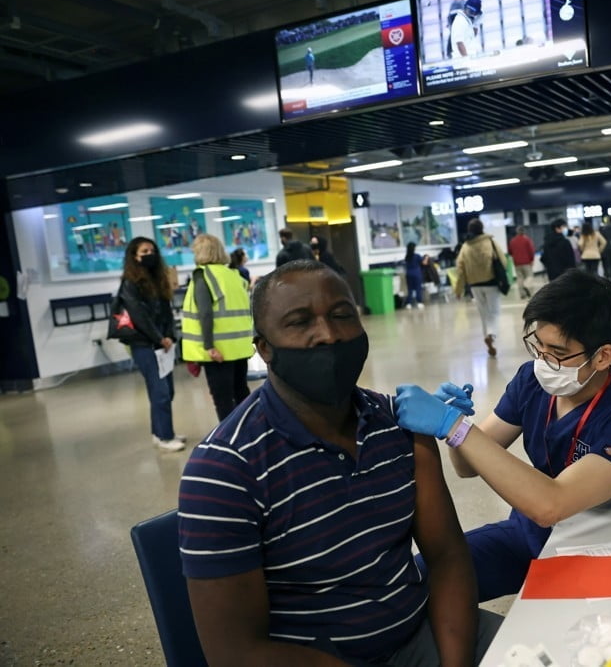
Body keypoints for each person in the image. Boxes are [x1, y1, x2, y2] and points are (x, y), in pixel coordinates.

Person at [178, 260, 501, 665]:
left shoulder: (398, 424)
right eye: (299, 322)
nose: (327, 335)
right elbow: (236, 653)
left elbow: (447, 557)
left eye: (341, 315)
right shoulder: (225, 470)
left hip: (421, 633)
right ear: (264, 348)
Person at [394, 270, 611, 601]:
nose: (544, 361)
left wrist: (455, 426)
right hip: (527, 537)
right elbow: (468, 466)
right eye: (539, 345)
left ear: (603, 355)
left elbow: (552, 504)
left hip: (598, 554)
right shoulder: (532, 382)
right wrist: (455, 427)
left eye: (559, 352)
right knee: (415, 583)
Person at [116, 237, 184, 451]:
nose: (150, 254)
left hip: (163, 344)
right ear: (134, 256)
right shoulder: (130, 283)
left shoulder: (158, 280)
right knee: (160, 391)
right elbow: (139, 315)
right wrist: (158, 338)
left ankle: (159, 432)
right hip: (144, 344)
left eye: (152, 250)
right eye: (144, 251)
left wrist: (170, 335)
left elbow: (166, 312)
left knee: (166, 391)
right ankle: (165, 437)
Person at [181, 234, 253, 422]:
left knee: (223, 401)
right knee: (241, 393)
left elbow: (205, 313)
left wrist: (209, 346)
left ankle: (230, 441)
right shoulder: (234, 276)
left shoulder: (203, 276)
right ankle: (249, 433)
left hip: (218, 351)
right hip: (239, 347)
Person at [454, 218, 503, 357]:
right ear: (482, 228)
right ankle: (491, 334)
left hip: (474, 285)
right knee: (494, 311)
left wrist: (459, 289)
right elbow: (502, 260)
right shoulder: (490, 242)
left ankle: (487, 337)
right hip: (491, 283)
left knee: (483, 313)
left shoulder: (465, 246)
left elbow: (460, 268)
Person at [540, 218, 575, 282]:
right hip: (565, 275)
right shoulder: (565, 242)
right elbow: (571, 260)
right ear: (557, 228)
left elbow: (543, 258)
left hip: (552, 275)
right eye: (564, 227)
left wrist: (550, 267)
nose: (566, 229)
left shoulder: (547, 242)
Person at [508, 226, 536, 299]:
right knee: (529, 276)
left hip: (517, 263)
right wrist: (532, 260)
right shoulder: (527, 240)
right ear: (524, 232)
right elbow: (531, 251)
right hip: (526, 262)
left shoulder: (512, 241)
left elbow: (510, 252)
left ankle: (522, 294)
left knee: (520, 278)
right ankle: (527, 288)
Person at [404, 241, 426, 309]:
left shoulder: (407, 257)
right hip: (416, 274)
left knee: (410, 289)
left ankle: (408, 303)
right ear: (414, 248)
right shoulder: (417, 256)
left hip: (408, 274)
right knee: (418, 288)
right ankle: (419, 302)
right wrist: (427, 257)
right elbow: (424, 263)